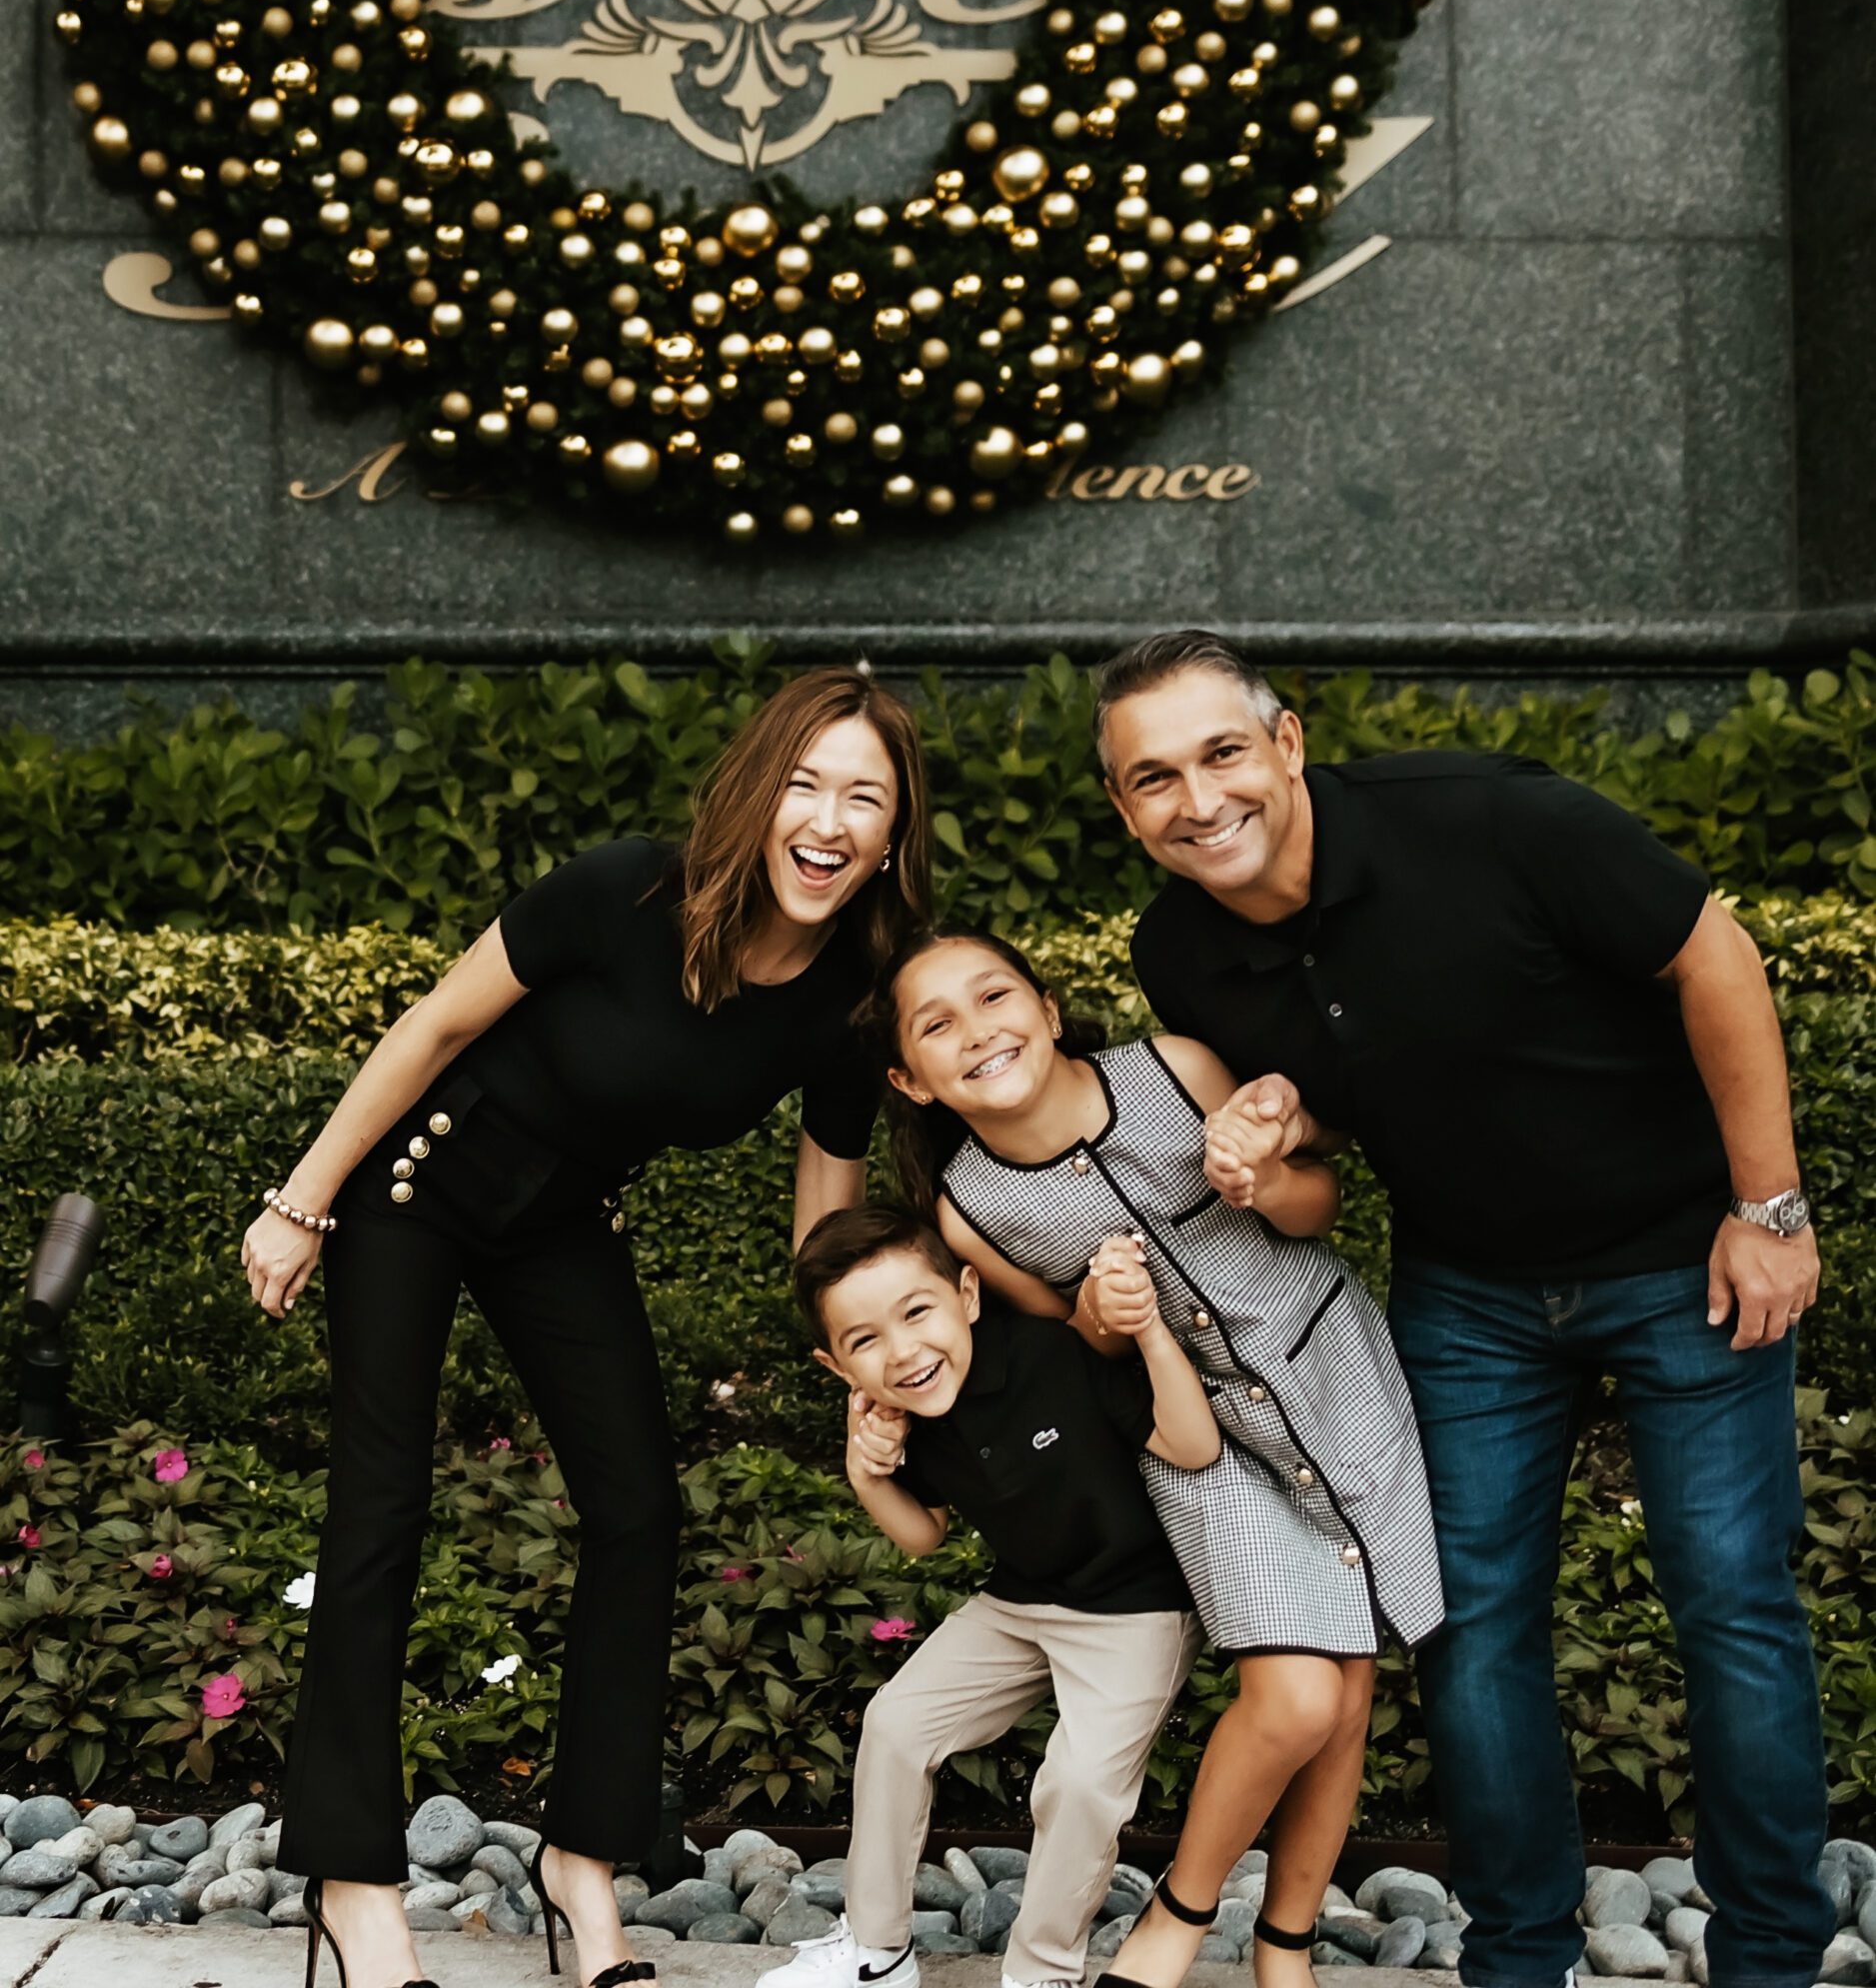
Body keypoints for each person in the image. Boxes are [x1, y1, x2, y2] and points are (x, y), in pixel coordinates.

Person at [1096, 628, 1832, 1988]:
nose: (1197, 802)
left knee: (1729, 1601)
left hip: (1684, 1260)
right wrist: (1278, 1122)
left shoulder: (1492, 821)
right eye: (1152, 780)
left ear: (1287, 743)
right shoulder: (1177, 950)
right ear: (1122, 807)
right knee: (1471, 1623)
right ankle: (1518, 1957)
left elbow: (1712, 955)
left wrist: (1767, 1208)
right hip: (1472, 1294)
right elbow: (1331, 1118)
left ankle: (1776, 1957)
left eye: (1220, 754)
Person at [239, 669, 932, 1988]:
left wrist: (860, 1364)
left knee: (639, 1511)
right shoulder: (622, 892)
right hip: (415, 1185)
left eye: (864, 798)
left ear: (891, 836)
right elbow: (438, 1022)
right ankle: (351, 1884)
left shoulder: (850, 991)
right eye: (805, 784)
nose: (828, 820)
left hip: (560, 1223)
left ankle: (581, 1868)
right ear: (754, 792)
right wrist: (302, 1202)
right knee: (379, 1506)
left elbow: (825, 1210)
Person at [879, 930, 1442, 1988]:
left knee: (1351, 1684)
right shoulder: (969, 1207)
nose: (977, 1030)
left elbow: (1320, 1198)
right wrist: (1095, 1316)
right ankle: (1176, 1919)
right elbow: (1066, 1348)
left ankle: (1284, 1947)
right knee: (1294, 1700)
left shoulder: (1172, 1070)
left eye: (992, 996)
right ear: (911, 1077)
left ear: (1046, 1007)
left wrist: (1264, 1180)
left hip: (1331, 1381)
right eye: (936, 1023)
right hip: (1201, 1445)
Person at [767, 1202, 1213, 1988]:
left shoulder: (1048, 1358)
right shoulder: (904, 1413)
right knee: (897, 1724)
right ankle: (877, 1949)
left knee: (1078, 1783)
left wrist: (1145, 1329)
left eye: (916, 1313)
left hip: (1134, 1607)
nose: (902, 1353)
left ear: (967, 1296)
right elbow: (921, 1534)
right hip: (1020, 1601)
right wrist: (864, 1467)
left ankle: (1041, 1972)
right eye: (864, 1341)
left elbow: (1192, 1444)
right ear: (836, 1366)